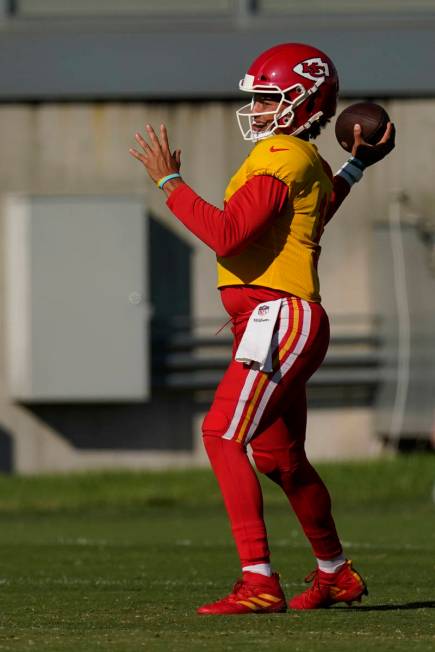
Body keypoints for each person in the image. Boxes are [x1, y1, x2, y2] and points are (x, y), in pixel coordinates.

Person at [129, 42, 395, 615]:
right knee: (281, 459)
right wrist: (354, 166)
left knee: (223, 434)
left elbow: (228, 235)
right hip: (280, 318)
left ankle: (259, 581)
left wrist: (168, 183)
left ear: (303, 103)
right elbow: (319, 207)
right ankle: (336, 573)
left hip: (278, 317)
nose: (256, 108)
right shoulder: (306, 160)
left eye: (271, 97)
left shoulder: (282, 153)